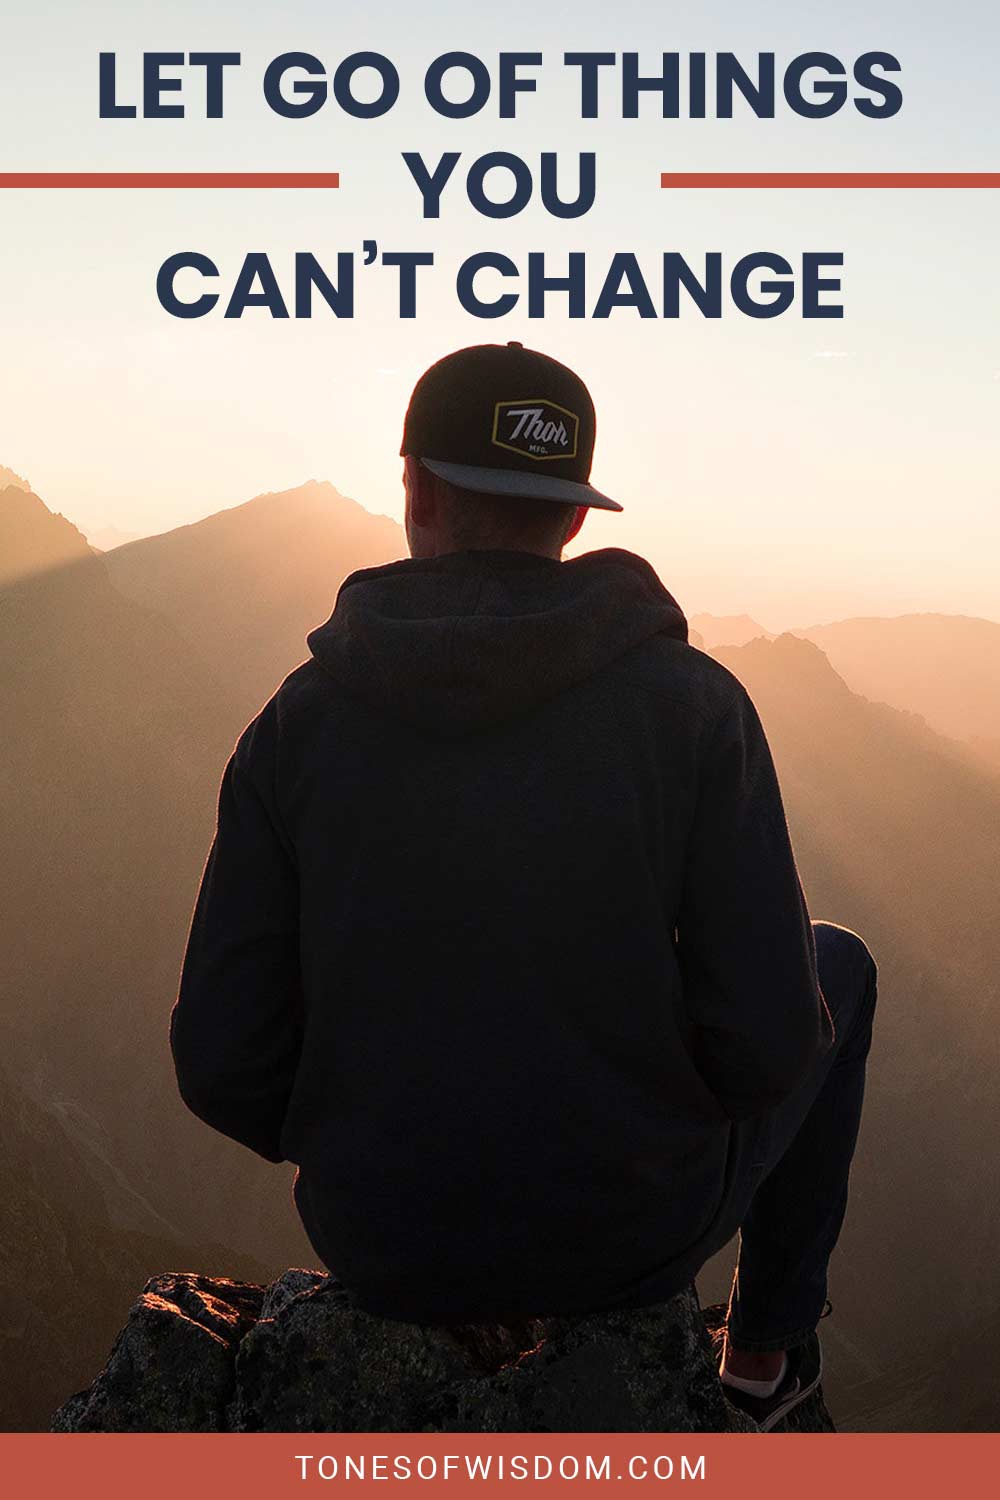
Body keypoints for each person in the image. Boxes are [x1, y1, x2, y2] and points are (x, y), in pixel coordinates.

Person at [171, 341, 877, 1430]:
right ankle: (760, 1366)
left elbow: (222, 1062)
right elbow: (774, 1042)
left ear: (413, 488)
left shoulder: (295, 727)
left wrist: (375, 1136)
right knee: (841, 964)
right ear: (577, 519)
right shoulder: (693, 712)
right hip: (627, 1241)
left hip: (381, 1239)